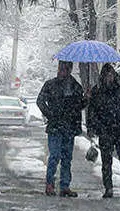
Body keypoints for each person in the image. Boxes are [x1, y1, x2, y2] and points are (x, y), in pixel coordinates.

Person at [87, 64, 120, 198]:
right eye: (107, 75)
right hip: (105, 131)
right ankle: (108, 188)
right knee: (106, 161)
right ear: (103, 76)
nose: (109, 78)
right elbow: (92, 111)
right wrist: (93, 127)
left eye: (111, 75)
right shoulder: (97, 91)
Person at [36, 60, 85, 198]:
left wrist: (85, 99)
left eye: (66, 68)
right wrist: (50, 114)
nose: (63, 71)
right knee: (55, 155)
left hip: (69, 127)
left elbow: (79, 106)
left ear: (69, 69)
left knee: (67, 158)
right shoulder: (51, 84)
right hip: (56, 127)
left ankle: (64, 186)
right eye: (61, 68)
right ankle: (50, 183)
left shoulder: (75, 86)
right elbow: (40, 101)